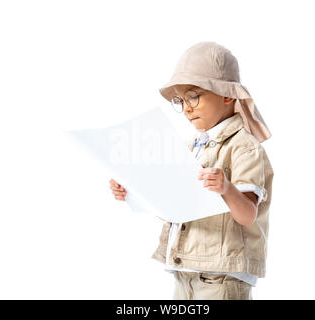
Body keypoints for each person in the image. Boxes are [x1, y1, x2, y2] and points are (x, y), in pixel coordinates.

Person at [109, 41, 274, 300]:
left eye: (194, 96)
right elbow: (175, 206)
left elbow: (248, 215)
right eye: (180, 100)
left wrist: (227, 188)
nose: (186, 108)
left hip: (221, 280)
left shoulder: (244, 147)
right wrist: (132, 191)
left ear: (227, 94)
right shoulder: (191, 148)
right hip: (185, 272)